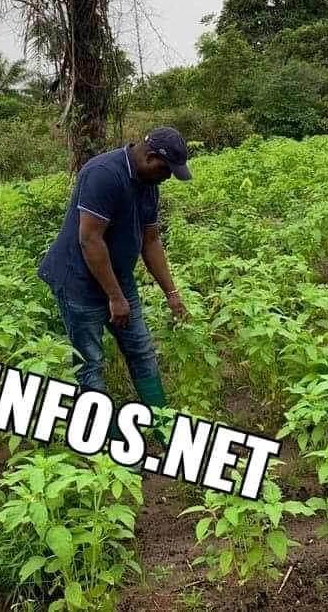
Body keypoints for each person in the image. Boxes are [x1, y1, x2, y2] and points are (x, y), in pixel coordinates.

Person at [37, 127, 192, 441]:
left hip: (118, 281)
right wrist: (115, 298)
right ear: (150, 158)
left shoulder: (149, 185)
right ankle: (110, 440)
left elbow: (151, 242)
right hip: (78, 282)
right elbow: (89, 240)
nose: (168, 178)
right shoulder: (104, 174)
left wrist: (172, 294)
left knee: (142, 351)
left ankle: (163, 427)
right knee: (91, 361)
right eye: (166, 171)